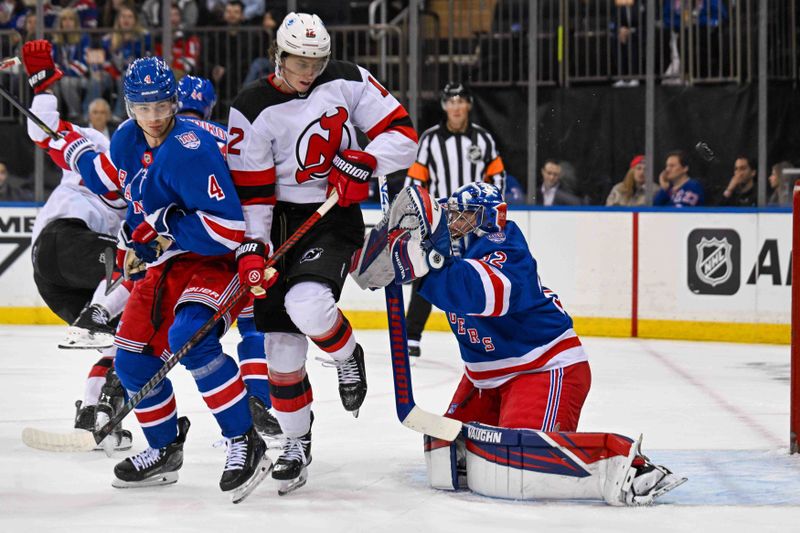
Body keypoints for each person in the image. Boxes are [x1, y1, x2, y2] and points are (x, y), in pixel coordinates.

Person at [353, 182, 685, 506]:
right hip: (485, 379)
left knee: (520, 462)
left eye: (465, 215)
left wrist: (424, 267)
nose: (455, 221)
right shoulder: (464, 252)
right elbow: (449, 277)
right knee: (445, 456)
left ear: (487, 219)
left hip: (543, 368)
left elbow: (477, 292)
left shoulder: (507, 249)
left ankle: (622, 462)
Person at [35, 56, 270, 497]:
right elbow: (106, 179)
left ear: (175, 103)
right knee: (131, 360)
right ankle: (164, 450)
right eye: (144, 108)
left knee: (193, 339)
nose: (154, 117)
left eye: (162, 106)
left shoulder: (191, 149)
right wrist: (69, 145)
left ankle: (244, 440)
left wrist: (163, 226)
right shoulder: (125, 137)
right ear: (129, 108)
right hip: (164, 267)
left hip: (215, 261)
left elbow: (228, 229)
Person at [226, 11, 418, 493]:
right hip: (278, 221)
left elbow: (403, 136)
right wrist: (253, 249)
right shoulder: (251, 106)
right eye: (298, 60)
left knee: (307, 305)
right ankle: (296, 442)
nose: (308, 71)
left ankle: (347, 354)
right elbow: (253, 194)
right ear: (279, 55)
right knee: (281, 350)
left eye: (316, 60)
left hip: (333, 215)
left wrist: (365, 162)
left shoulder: (348, 79)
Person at [20, 40, 132, 451]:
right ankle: (96, 317)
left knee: (133, 339)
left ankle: (94, 414)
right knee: (134, 262)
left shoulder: (151, 181)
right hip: (62, 240)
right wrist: (43, 81)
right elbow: (41, 127)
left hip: (59, 280)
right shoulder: (92, 144)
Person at [176, 73, 280, 436]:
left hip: (190, 249)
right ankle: (259, 400)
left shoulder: (169, 135)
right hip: (245, 243)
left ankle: (111, 387)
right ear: (209, 104)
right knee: (253, 327)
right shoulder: (225, 135)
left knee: (161, 330)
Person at [403, 81, 506, 358]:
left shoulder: (483, 139)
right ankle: (411, 335)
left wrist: (491, 212)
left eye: (460, 101)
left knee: (476, 274)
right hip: (439, 220)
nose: (456, 106)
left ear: (469, 104)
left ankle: (482, 332)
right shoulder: (430, 139)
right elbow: (415, 179)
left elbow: (497, 175)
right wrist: (419, 214)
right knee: (426, 272)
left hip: (476, 222)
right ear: (444, 106)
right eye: (451, 101)